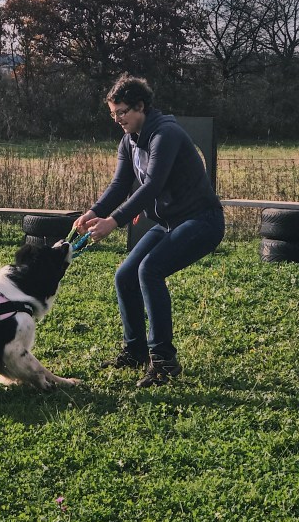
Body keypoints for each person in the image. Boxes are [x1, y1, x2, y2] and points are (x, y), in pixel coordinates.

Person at [75, 74, 225, 387]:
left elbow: (152, 185)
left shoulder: (165, 134)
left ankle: (164, 362)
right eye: (113, 114)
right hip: (169, 222)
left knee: (150, 270)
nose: (117, 119)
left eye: (122, 112)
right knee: (125, 276)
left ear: (140, 107)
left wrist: (113, 221)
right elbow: (120, 185)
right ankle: (135, 352)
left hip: (202, 221)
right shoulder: (129, 140)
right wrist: (94, 212)